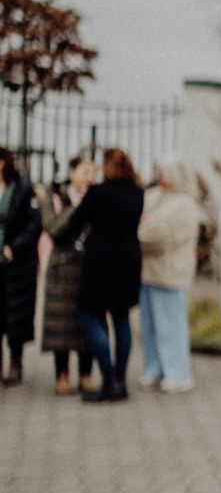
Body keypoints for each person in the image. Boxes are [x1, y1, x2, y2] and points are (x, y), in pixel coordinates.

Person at [56, 147, 144, 403]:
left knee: (89, 314)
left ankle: (109, 379)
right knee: (121, 318)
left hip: (100, 262)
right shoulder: (138, 194)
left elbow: (73, 223)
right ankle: (121, 380)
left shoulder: (97, 193)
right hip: (129, 260)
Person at [137, 158, 201, 393]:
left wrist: (144, 225)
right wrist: (144, 224)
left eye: (164, 172)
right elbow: (139, 221)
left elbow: (159, 235)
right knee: (149, 325)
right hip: (148, 272)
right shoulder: (153, 196)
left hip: (171, 273)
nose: (159, 176)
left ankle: (178, 374)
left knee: (170, 326)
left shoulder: (184, 204)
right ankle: (154, 370)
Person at [39, 155, 96, 394]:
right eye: (84, 171)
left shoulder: (96, 197)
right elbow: (54, 228)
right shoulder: (54, 198)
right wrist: (77, 207)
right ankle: (61, 374)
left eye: (93, 172)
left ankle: (86, 374)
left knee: (88, 324)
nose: (89, 177)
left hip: (89, 268)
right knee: (60, 324)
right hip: (62, 268)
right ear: (71, 172)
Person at [0, 147, 42, 386]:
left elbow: (34, 224)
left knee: (15, 312)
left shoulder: (23, 188)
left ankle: (16, 362)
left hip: (16, 262)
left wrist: (14, 247)